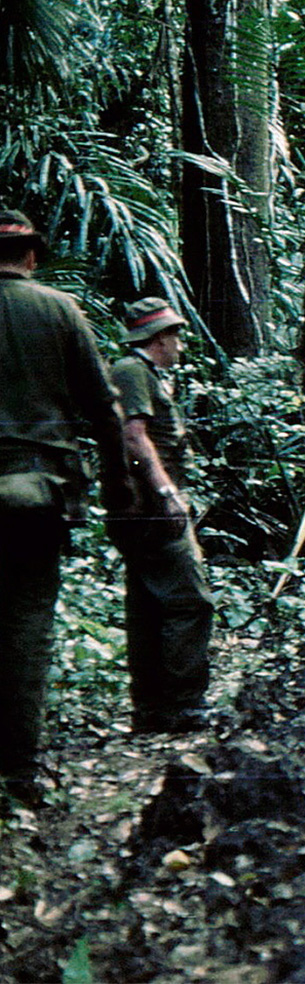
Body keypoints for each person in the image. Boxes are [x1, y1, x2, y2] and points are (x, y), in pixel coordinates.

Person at [0, 210, 135, 806]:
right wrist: (119, 485)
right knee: (26, 626)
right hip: (37, 494)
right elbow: (105, 409)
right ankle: (19, 770)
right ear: (32, 256)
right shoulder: (60, 310)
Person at [110, 297, 215, 734]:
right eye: (175, 336)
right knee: (191, 602)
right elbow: (134, 436)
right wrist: (166, 491)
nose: (180, 345)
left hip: (142, 506)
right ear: (158, 338)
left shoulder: (142, 373)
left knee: (150, 604)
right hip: (151, 507)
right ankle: (182, 705)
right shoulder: (132, 371)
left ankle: (152, 709)